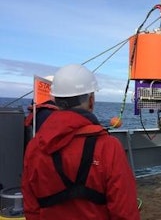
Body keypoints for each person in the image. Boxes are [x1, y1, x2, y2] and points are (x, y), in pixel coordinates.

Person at [21, 64, 141, 220]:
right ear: (91, 100)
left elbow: (31, 208)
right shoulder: (108, 147)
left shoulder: (34, 147)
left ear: (55, 100)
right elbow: (125, 212)